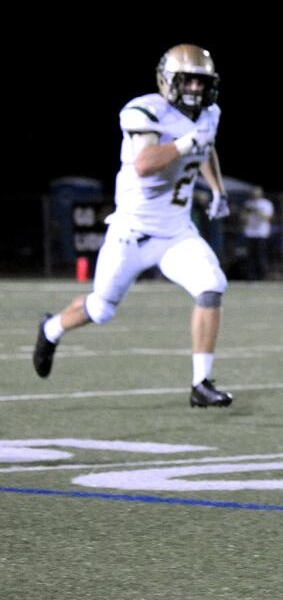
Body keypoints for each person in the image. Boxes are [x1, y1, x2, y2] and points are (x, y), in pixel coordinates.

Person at [33, 44, 235, 408]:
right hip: (133, 233)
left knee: (211, 286)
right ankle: (51, 329)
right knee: (101, 308)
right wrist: (186, 142)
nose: (195, 90)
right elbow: (145, 164)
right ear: (168, 81)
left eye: (201, 83)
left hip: (176, 233)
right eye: (187, 81)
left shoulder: (209, 115)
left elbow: (206, 148)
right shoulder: (145, 110)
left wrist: (218, 189)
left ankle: (200, 383)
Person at [240, 186, 274, 280]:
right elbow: (242, 218)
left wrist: (257, 210)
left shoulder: (266, 204)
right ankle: (251, 277)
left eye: (257, 190)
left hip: (261, 233)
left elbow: (267, 218)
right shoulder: (247, 203)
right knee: (250, 256)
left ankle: (263, 276)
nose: (255, 192)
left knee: (261, 256)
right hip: (249, 233)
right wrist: (247, 212)